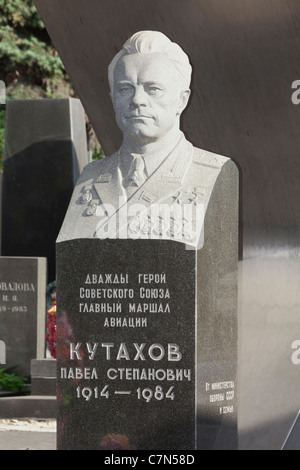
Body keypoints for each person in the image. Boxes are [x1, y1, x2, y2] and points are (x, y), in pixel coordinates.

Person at [58, 31, 229, 247]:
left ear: (182, 100)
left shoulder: (211, 173)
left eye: (153, 89)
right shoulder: (90, 177)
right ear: (113, 100)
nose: (138, 100)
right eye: (125, 89)